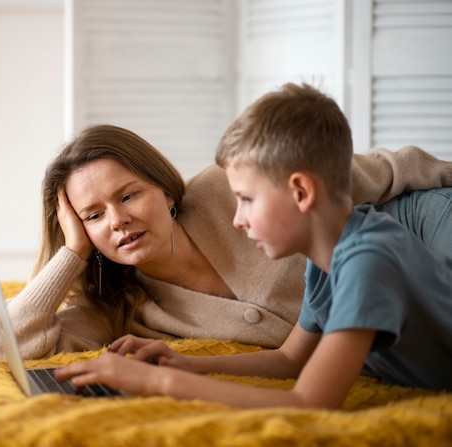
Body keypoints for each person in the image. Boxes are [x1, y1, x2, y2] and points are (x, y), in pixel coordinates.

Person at [53, 84, 452, 409]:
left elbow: (309, 403)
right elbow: (290, 359)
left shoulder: (366, 262)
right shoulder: (325, 260)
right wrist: (187, 364)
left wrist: (158, 380)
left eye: (246, 199)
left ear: (300, 191)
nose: (238, 218)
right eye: (93, 216)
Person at [0, 123, 452, 361]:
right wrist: (73, 252)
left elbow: (371, 169)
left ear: (161, 188)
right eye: (94, 215)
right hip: (401, 321)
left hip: (420, 232)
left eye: (129, 195)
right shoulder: (119, 307)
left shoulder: (226, 186)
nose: (118, 221)